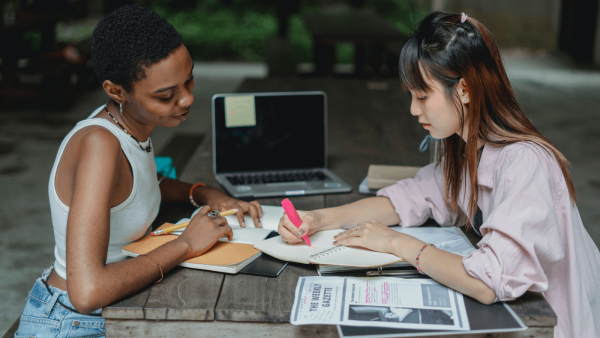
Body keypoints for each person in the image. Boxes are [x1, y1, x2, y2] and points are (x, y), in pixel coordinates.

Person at [278, 12, 600, 338]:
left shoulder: (524, 162)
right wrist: (318, 218)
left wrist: (397, 243)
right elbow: (406, 200)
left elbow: (487, 282)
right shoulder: (466, 149)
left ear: (464, 89)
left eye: (422, 96)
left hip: (554, 326)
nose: (414, 110)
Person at [14, 5, 262, 337]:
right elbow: (87, 293)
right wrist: (186, 245)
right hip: (73, 322)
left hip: (110, 309)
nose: (187, 99)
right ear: (116, 91)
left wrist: (202, 192)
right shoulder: (100, 144)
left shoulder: (127, 125)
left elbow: (138, 184)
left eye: (188, 80)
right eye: (167, 95)